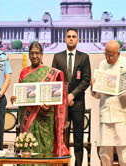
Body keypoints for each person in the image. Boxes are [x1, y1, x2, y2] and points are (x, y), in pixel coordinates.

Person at [11, 42, 69, 158]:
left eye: (37, 53)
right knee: (27, 148)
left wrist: (50, 105)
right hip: (27, 118)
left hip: (45, 117)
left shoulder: (50, 72)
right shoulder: (24, 73)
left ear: (42, 55)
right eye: (32, 53)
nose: (34, 56)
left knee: (45, 148)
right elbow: (20, 94)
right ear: (28, 55)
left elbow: (57, 96)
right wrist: (15, 98)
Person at [90, 40, 126, 166]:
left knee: (125, 155)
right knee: (105, 154)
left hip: (123, 115)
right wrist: (93, 87)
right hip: (106, 115)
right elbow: (96, 94)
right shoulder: (102, 64)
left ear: (118, 54)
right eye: (106, 54)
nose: (108, 58)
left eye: (111, 55)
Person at [52, 28, 91, 166]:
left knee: (79, 138)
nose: (71, 38)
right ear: (64, 39)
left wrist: (72, 94)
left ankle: (78, 164)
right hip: (62, 105)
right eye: (68, 36)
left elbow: (86, 80)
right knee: (63, 138)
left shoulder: (84, 57)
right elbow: (54, 80)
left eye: (74, 36)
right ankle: (64, 164)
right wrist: (64, 97)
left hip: (78, 103)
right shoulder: (57, 57)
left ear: (78, 40)